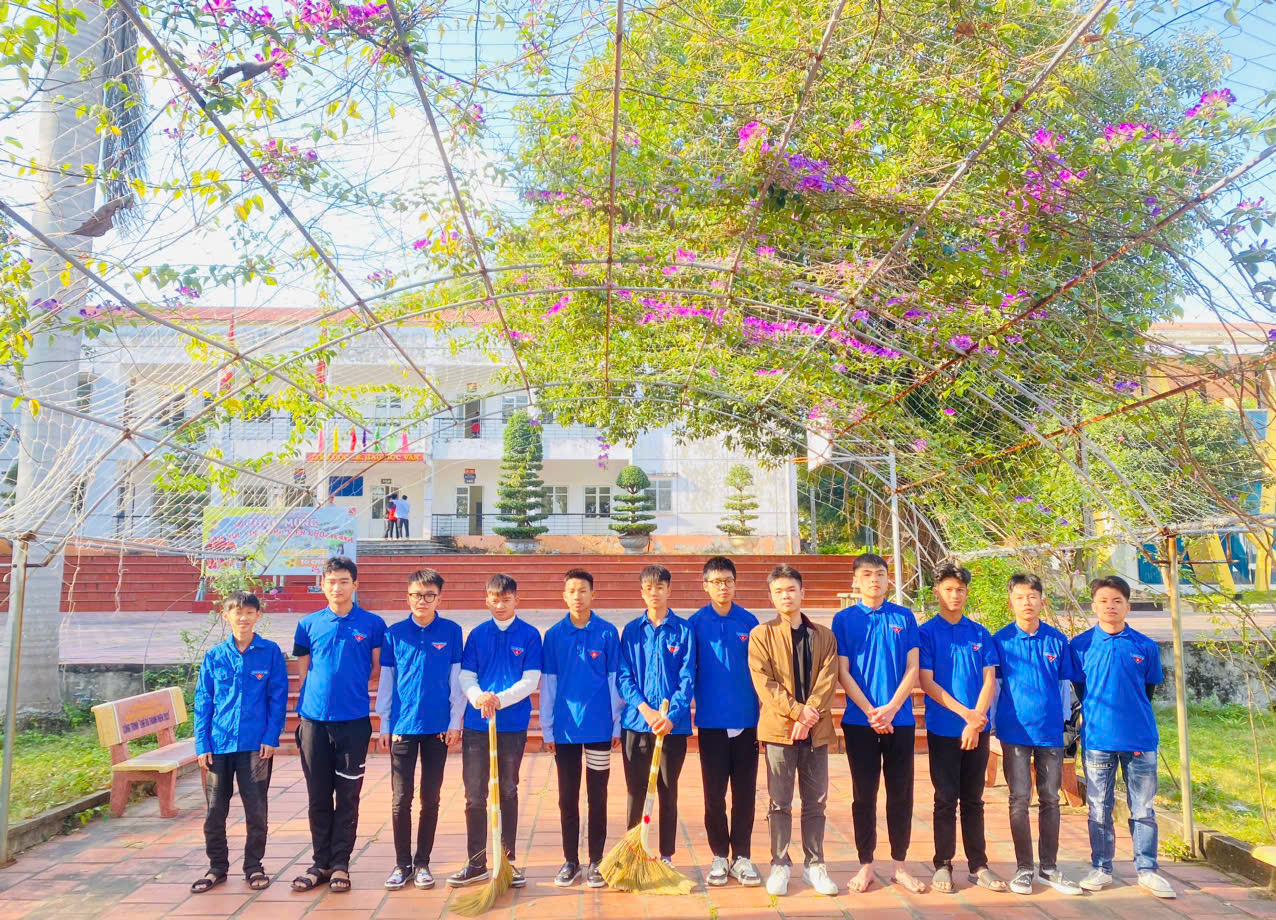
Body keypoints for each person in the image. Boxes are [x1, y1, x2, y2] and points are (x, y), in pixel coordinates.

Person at [1070, 575, 1175, 899]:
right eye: (1103, 601)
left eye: (1117, 601)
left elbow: (1148, 691)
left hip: (1139, 739)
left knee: (1142, 808)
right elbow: (1081, 690)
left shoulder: (1145, 646)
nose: (1110, 606)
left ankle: (1147, 869)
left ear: (1128, 606)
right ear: (1094, 606)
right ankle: (1101, 868)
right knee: (1098, 808)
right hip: (1098, 741)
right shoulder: (1081, 646)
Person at [291, 557, 387, 893]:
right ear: (323, 585)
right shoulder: (307, 624)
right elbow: (304, 671)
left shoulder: (373, 624)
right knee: (318, 796)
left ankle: (341, 864)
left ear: (355, 585)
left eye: (344, 581)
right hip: (313, 724)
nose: (337, 587)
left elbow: (376, 669)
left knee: (348, 797)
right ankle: (320, 863)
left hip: (354, 724)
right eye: (331, 581)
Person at [832, 552, 926, 894]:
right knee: (864, 795)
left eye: (881, 574)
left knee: (901, 794)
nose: (875, 579)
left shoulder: (904, 617)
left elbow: (913, 668)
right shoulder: (844, 620)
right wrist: (872, 710)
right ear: (855, 581)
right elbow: (842, 671)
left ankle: (900, 865)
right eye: (868, 574)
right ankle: (866, 864)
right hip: (860, 721)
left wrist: (891, 708)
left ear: (889, 579)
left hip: (899, 720)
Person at [748, 564, 840, 897]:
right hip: (779, 731)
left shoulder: (824, 636)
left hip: (816, 731)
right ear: (771, 597)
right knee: (779, 801)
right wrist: (797, 712)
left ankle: (815, 865)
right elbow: (764, 682)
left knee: (815, 802)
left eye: (791, 589)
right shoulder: (762, 635)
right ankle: (780, 864)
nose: (786, 596)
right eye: (779, 591)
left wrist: (808, 716)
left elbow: (828, 679)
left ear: (802, 592)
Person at [449, 574, 543, 889]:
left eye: (506, 599)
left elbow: (531, 680)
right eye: (494, 599)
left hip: (512, 724)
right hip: (478, 725)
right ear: (486, 600)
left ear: (517, 600)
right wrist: (479, 698)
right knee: (475, 794)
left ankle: (507, 861)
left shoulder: (530, 635)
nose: (500, 605)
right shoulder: (477, 635)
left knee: (508, 790)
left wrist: (499, 699)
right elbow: (466, 676)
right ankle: (476, 862)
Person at [992, 572, 1082, 896]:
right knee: (1019, 799)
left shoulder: (1056, 641)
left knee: (1050, 798)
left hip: (1049, 733)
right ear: (1011, 603)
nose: (1026, 602)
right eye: (1020, 597)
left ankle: (1049, 868)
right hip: (1014, 731)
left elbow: (1064, 687)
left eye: (1032, 596)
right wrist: (992, 726)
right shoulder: (1000, 641)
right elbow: (994, 687)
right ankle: (1024, 868)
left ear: (1042, 601)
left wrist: (1065, 725)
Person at [191, 592, 287, 894]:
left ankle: (254, 866)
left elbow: (278, 698)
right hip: (218, 745)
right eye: (237, 612)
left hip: (255, 746)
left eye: (249, 612)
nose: (243, 618)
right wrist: (202, 743)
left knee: (256, 810)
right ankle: (217, 867)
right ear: (226, 615)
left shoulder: (270, 653)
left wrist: (271, 737)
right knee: (214, 811)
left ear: (258, 615)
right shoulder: (215, 656)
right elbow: (203, 701)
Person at [917, 563, 1004, 895]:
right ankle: (943, 863)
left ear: (967, 593)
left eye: (960, 590)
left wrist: (976, 719)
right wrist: (966, 715)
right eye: (948, 589)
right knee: (944, 798)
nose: (955, 595)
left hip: (977, 729)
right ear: (937, 592)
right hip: (943, 729)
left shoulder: (979, 633)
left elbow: (989, 680)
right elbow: (927, 682)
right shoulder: (926, 633)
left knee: (973, 799)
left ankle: (978, 865)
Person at [375, 569, 464, 891]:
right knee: (401, 799)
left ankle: (422, 862)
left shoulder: (451, 632)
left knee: (431, 798)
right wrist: (385, 723)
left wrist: (455, 721)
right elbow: (387, 682)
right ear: (408, 597)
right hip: (403, 726)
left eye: (428, 595)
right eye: (416, 595)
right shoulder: (394, 634)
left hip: (438, 727)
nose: (421, 601)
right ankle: (402, 864)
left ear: (439, 597)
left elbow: (456, 680)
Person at [540, 568, 623, 888]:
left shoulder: (607, 633)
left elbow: (615, 680)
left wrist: (616, 724)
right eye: (572, 591)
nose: (577, 596)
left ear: (593, 594)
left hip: (600, 729)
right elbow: (549, 684)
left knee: (597, 796)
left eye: (583, 590)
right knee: (567, 796)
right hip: (565, 731)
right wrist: (548, 728)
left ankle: (597, 860)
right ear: (564, 596)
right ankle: (570, 860)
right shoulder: (554, 635)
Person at [617, 564, 696, 867]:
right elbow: (624, 676)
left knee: (667, 790)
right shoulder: (631, 631)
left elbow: (687, 679)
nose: (654, 593)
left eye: (660, 587)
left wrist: (671, 716)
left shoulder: (683, 631)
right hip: (637, 724)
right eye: (649, 588)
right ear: (642, 592)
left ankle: (666, 855)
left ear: (669, 590)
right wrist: (645, 710)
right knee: (635, 790)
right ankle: (633, 852)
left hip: (671, 728)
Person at [690, 556, 762, 887]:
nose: (723, 587)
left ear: (735, 584)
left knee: (745, 792)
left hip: (746, 720)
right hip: (711, 723)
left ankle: (742, 856)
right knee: (714, 793)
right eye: (717, 582)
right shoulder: (695, 624)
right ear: (705, 586)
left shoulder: (749, 621)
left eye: (728, 581)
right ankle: (720, 854)